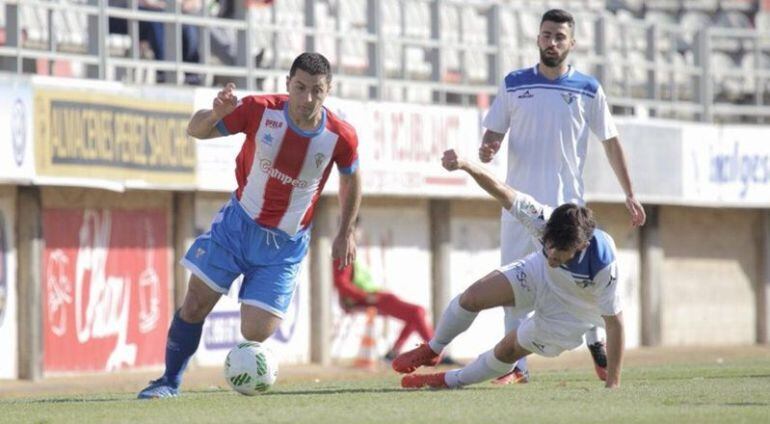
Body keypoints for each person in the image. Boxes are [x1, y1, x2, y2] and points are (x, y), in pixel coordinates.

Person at [138, 52, 361, 399]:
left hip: (285, 245)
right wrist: (215, 114)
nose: (307, 99)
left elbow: (351, 178)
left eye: (317, 90)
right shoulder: (260, 109)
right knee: (195, 302)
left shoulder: (340, 137)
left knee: (256, 330)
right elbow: (195, 130)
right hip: (237, 226)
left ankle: (249, 366)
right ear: (288, 84)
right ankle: (168, 381)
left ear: (328, 90)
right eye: (300, 88)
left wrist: (345, 231)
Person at [477, 9, 645, 384]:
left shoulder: (588, 89)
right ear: (537, 38)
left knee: (580, 279)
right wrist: (488, 148)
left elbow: (611, 142)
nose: (552, 42)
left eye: (559, 37)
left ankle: (596, 342)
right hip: (520, 206)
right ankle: (515, 367)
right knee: (513, 286)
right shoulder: (514, 83)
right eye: (546, 35)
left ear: (572, 43)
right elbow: (493, 134)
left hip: (566, 211)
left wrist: (630, 193)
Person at [392, 149, 624, 390]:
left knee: (508, 350)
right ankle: (434, 348)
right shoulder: (544, 221)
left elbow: (615, 323)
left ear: (582, 246)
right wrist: (466, 165)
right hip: (540, 273)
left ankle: (448, 380)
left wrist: (613, 384)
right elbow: (503, 192)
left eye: (561, 252)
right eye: (550, 245)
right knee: (473, 297)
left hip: (572, 312)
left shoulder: (603, 264)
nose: (552, 254)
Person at [332, 218, 457, 363]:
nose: (360, 233)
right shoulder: (343, 253)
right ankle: (436, 352)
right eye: (357, 230)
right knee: (416, 312)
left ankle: (394, 353)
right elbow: (341, 284)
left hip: (375, 296)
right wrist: (365, 297)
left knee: (416, 314)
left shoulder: (350, 252)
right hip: (370, 299)